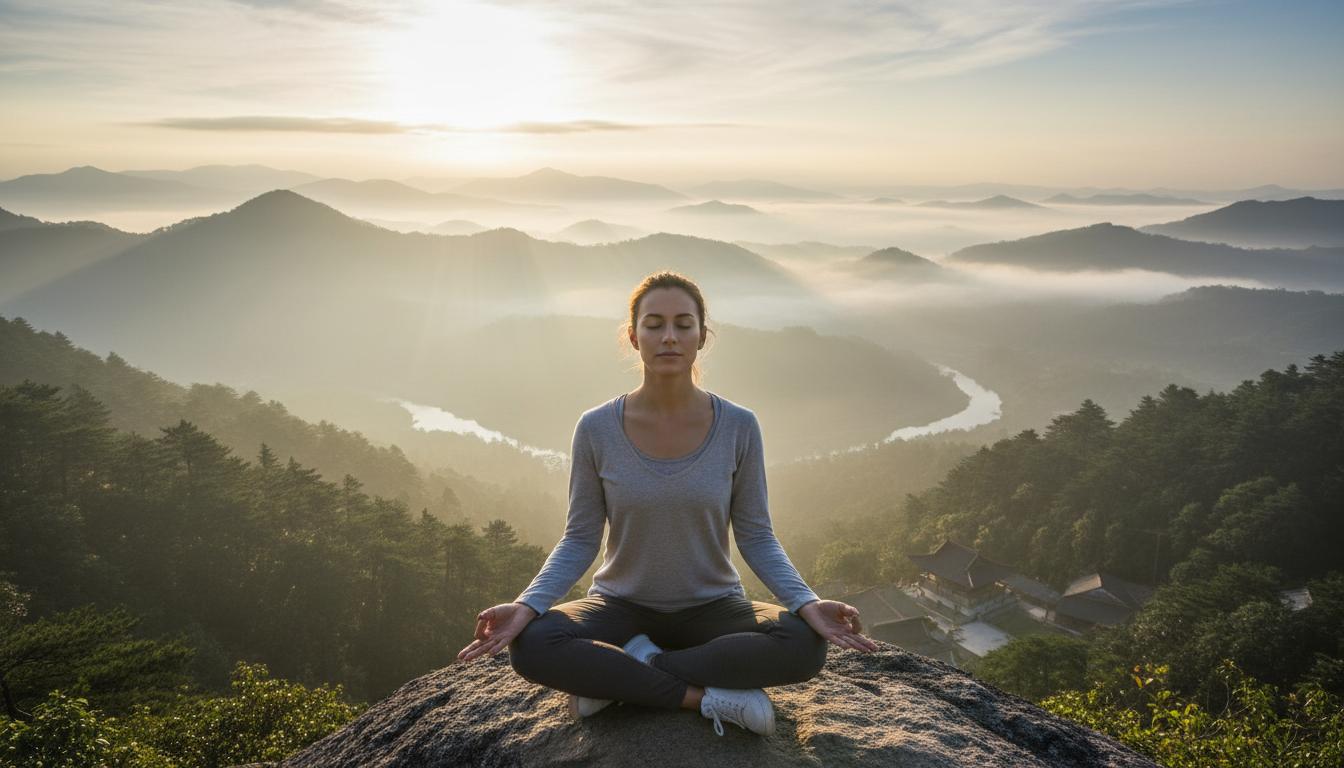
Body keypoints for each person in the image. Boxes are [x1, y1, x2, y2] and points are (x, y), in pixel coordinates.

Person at [456, 270, 878, 737]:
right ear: (634, 337)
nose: (669, 337)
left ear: (702, 336)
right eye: (654, 324)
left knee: (804, 644)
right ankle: (701, 698)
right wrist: (527, 605)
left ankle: (633, 671)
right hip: (620, 606)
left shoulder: (738, 426)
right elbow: (579, 538)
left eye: (683, 324)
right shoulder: (597, 428)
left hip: (713, 607)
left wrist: (806, 602)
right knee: (532, 642)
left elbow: (756, 536)